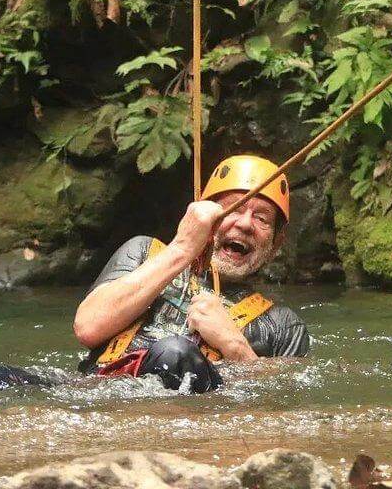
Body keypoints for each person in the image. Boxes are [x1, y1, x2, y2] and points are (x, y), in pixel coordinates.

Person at [73, 154, 310, 393]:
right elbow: (88, 327)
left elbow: (278, 400)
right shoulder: (145, 252)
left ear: (276, 243)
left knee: (177, 353)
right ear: (202, 213)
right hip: (102, 391)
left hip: (194, 407)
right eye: (234, 208)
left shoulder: (284, 326)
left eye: (261, 218)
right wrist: (183, 249)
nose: (245, 224)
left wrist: (233, 344)